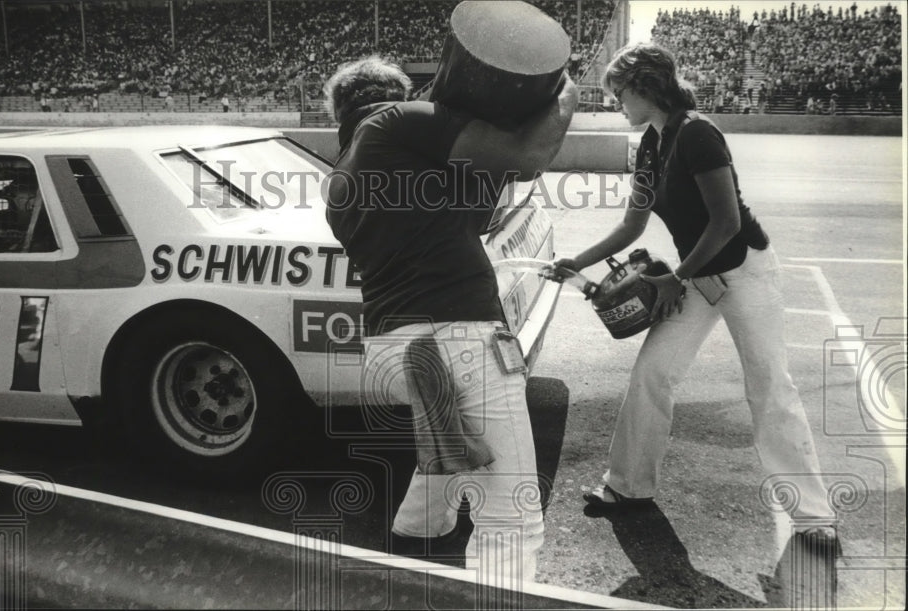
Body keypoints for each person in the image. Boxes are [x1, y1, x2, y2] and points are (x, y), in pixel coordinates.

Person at [548, 43, 836, 544]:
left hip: (744, 272)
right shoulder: (649, 145)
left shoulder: (698, 134)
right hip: (695, 276)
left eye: (620, 94)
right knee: (653, 372)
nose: (618, 104)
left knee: (769, 386)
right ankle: (628, 487)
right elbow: (631, 225)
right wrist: (579, 262)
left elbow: (725, 223)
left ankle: (813, 516)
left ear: (644, 87)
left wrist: (676, 276)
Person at [324, 56, 577, 588]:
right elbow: (528, 157)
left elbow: (475, 215)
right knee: (511, 518)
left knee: (448, 436)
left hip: (395, 348)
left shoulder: (343, 175)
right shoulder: (398, 120)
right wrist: (561, 91)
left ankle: (416, 533)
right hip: (453, 339)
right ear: (398, 94)